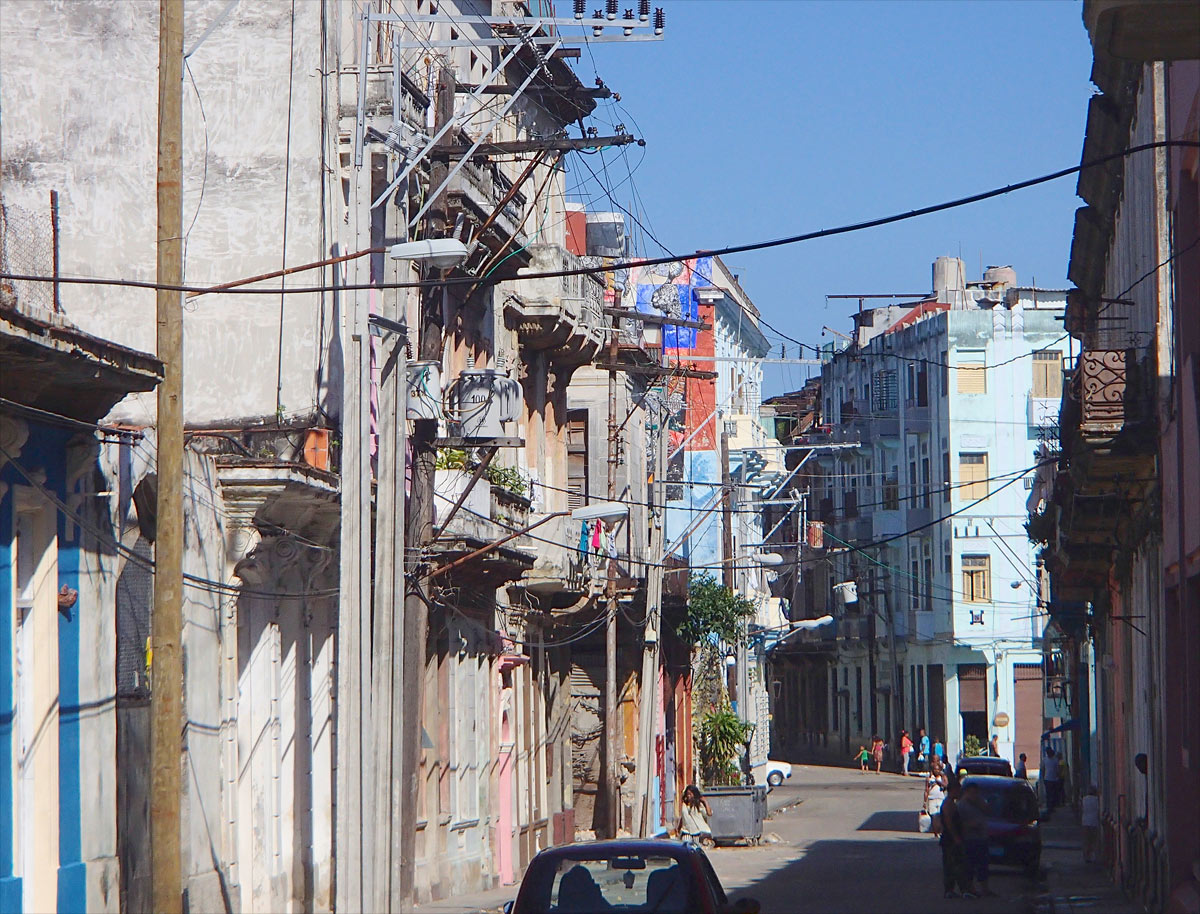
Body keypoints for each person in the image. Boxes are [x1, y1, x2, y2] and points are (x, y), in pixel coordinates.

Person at [958, 781, 995, 897]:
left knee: (983, 864)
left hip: (982, 837)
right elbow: (958, 824)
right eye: (972, 792)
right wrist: (971, 825)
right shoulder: (961, 805)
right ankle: (970, 888)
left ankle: (985, 888)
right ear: (967, 792)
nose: (975, 795)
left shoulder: (979, 802)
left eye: (976, 792)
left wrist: (979, 803)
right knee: (970, 865)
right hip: (970, 839)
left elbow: (989, 811)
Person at [939, 777, 970, 898]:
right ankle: (951, 890)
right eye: (958, 790)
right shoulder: (948, 804)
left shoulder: (952, 803)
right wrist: (956, 837)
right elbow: (949, 823)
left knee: (956, 864)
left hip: (953, 838)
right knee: (953, 865)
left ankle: (956, 889)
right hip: (950, 839)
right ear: (954, 790)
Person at [924, 758, 947, 837]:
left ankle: (941, 831)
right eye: (935, 769)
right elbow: (926, 789)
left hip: (940, 798)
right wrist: (924, 801)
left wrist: (938, 782)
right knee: (933, 816)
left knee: (941, 816)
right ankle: (935, 833)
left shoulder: (942, 776)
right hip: (931, 799)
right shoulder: (929, 777)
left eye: (937, 769)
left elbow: (946, 785)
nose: (936, 771)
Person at [1042, 744, 1063, 817]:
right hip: (1052, 779)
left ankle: (1050, 807)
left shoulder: (1045, 759)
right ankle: (1051, 807)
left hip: (1048, 778)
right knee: (1052, 793)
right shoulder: (1055, 760)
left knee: (1050, 794)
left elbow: (1043, 769)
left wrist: (1043, 777)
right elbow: (1057, 769)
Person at [1081, 785, 1101, 863]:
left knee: (1086, 840)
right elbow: (1098, 810)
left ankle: (1086, 856)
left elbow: (1082, 809)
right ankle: (1094, 856)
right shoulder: (1096, 800)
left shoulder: (1084, 799)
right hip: (1094, 822)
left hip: (1085, 822)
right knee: (1094, 840)